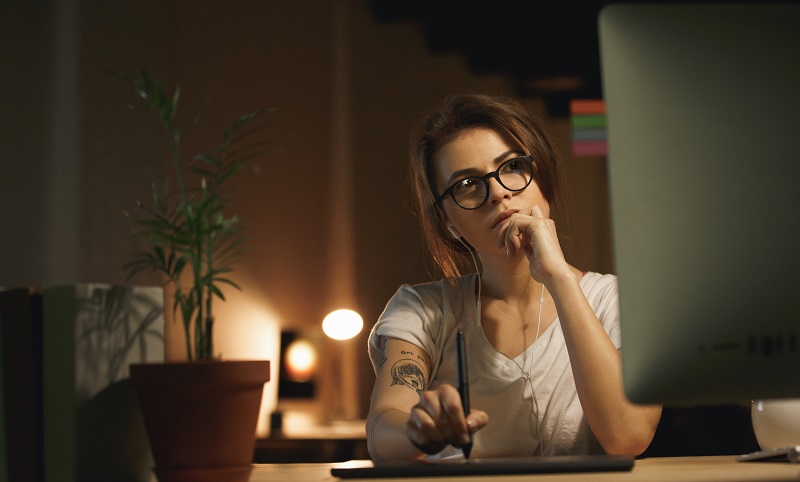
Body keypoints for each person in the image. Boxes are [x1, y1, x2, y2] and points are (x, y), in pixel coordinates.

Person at [365, 93, 662, 461]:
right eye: (467, 185)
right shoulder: (423, 309)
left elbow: (628, 437)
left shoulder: (615, 299)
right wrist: (417, 431)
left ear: (543, 179)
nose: (498, 192)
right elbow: (381, 429)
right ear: (449, 223)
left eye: (512, 166)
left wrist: (559, 278)